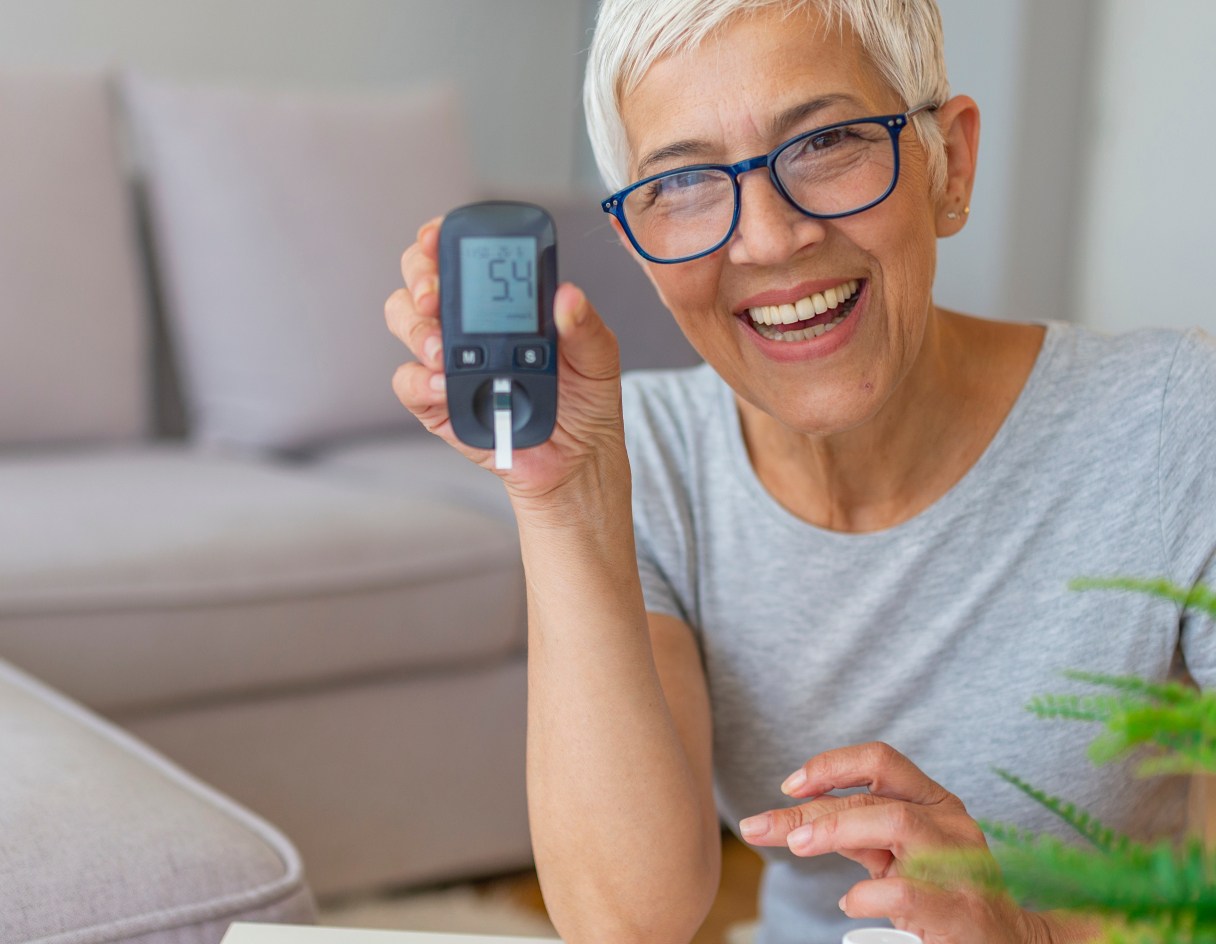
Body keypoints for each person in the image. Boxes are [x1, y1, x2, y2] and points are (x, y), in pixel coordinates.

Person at [385, 0, 1216, 941]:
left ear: (951, 163)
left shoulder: (1175, 425)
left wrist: (1027, 936)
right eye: (686, 183)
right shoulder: (641, 455)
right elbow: (626, 921)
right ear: (642, 251)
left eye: (825, 143)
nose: (770, 238)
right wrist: (563, 500)